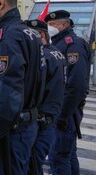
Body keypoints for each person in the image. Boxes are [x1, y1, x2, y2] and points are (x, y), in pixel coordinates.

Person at [0, 0, 45, 175]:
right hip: (25, 124)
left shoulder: (8, 36)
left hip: (11, 130)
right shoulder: (28, 32)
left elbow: (7, 92)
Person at [45, 9, 91, 174]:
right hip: (63, 110)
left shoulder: (73, 44)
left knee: (58, 157)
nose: (49, 27)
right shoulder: (60, 42)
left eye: (52, 24)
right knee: (67, 154)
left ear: (63, 25)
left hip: (65, 111)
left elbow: (76, 85)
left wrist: (62, 114)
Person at [25, 19, 67, 175]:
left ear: (41, 35)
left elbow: (35, 89)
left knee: (32, 166)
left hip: (40, 119)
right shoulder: (56, 53)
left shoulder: (43, 56)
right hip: (50, 117)